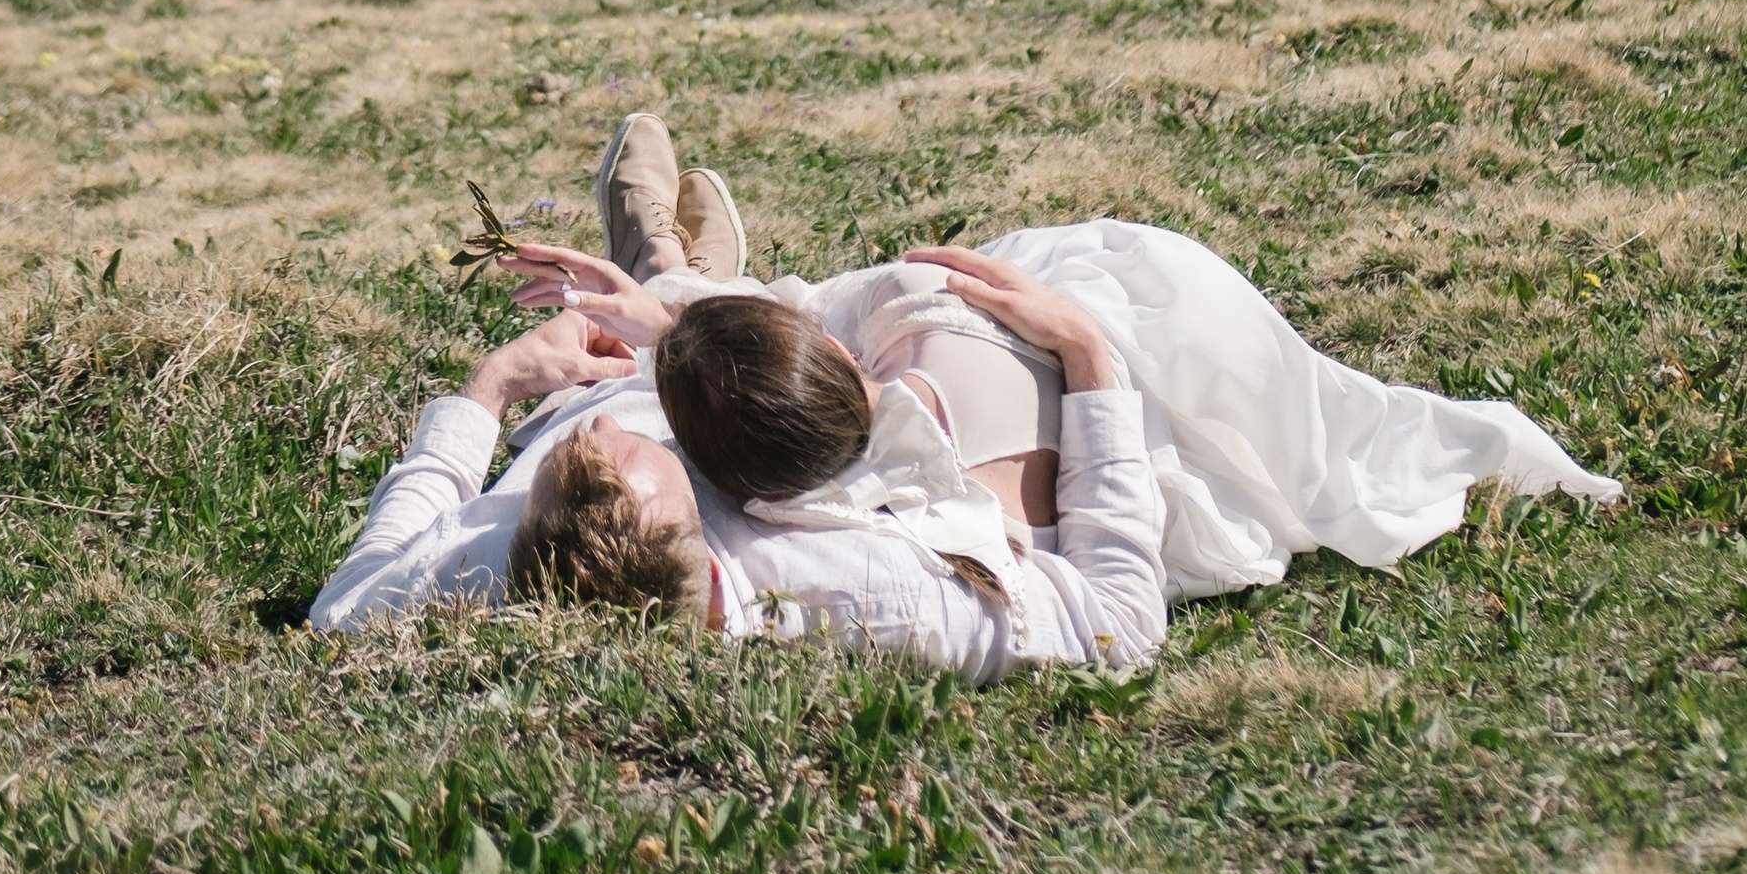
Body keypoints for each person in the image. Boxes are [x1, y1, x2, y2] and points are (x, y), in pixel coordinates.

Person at [307, 116, 1170, 679]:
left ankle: (671, 271)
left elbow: (339, 603)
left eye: (592, 445)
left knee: (618, 375)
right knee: (904, 319)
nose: (613, 425)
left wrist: (492, 386)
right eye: (641, 447)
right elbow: (1121, 625)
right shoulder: (862, 592)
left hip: (603, 384)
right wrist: (1091, 354)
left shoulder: (481, 571)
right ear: (730, 515)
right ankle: (689, 276)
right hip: (760, 409)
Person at [508, 200, 1621, 600]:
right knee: (931, 284)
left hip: (1080, 340)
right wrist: (1087, 349)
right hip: (1143, 316)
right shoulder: (914, 352)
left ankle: (672, 256)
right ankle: (674, 258)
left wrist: (666, 322)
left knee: (896, 293)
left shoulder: (822, 514)